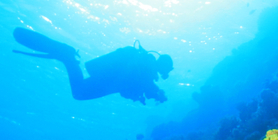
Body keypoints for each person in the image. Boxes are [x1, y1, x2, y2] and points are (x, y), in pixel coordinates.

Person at [13, 28, 173, 104]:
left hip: (108, 81)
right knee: (79, 93)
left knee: (79, 92)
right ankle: (67, 58)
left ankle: (66, 57)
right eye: (168, 69)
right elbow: (147, 86)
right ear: (163, 65)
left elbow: (136, 87)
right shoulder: (147, 67)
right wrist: (158, 94)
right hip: (108, 82)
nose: (167, 73)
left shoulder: (145, 64)